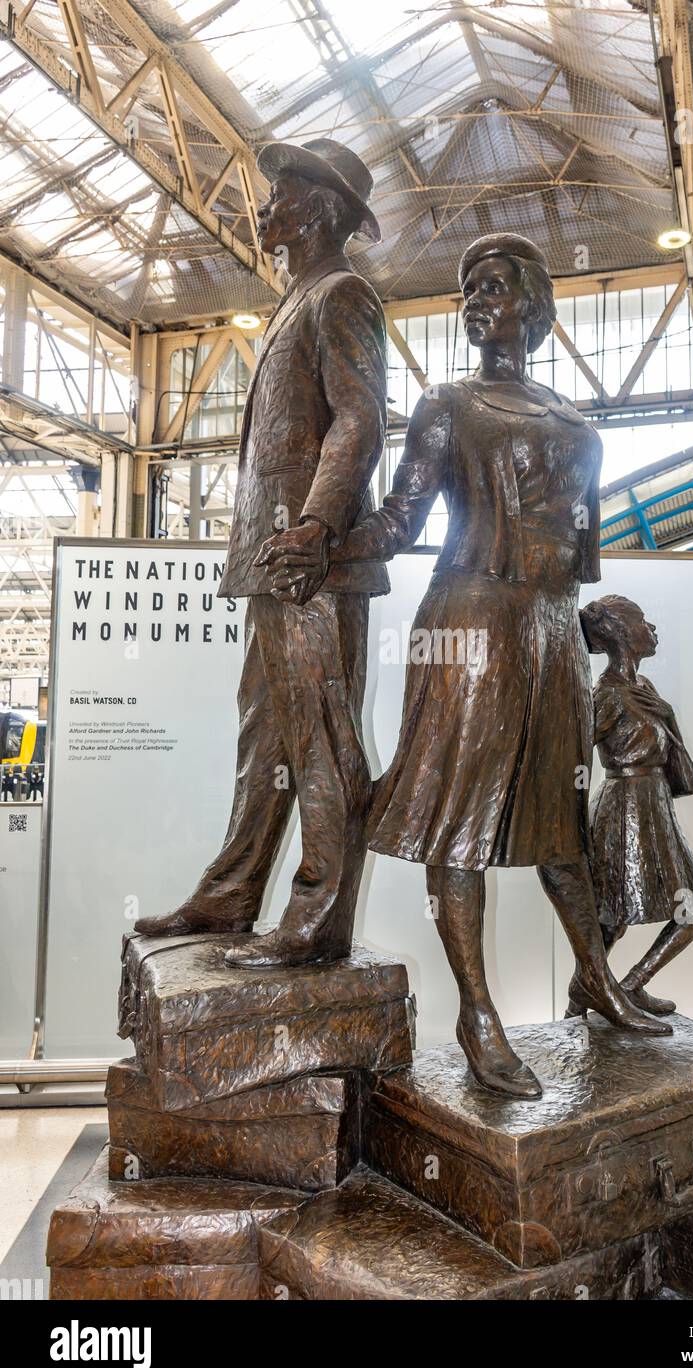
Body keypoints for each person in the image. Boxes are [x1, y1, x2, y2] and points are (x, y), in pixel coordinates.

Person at [278, 234, 671, 1099]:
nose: (475, 300)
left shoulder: (581, 430)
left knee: (560, 821)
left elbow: (579, 555)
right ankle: (478, 1014)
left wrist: (598, 646)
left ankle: (596, 977)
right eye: (467, 289)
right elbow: (400, 521)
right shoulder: (446, 405)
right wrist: (323, 543)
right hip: (467, 628)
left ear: (534, 306)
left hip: (550, 632)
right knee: (459, 820)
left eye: (493, 286)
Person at [134, 138, 390, 969]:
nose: (266, 207)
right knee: (267, 737)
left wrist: (316, 525)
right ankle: (232, 892)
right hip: (278, 560)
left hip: (310, 559)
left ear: (318, 211)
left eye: (280, 195)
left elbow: (360, 419)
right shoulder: (299, 298)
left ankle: (317, 919)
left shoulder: (343, 293)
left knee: (318, 737)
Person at [577, 595, 693, 1016]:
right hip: (624, 810)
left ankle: (626, 985)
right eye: (643, 622)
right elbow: (572, 755)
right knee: (613, 916)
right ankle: (589, 993)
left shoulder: (645, 690)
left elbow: (684, 779)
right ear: (620, 633)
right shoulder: (609, 696)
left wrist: (670, 720)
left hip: (654, 807)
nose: (652, 628)